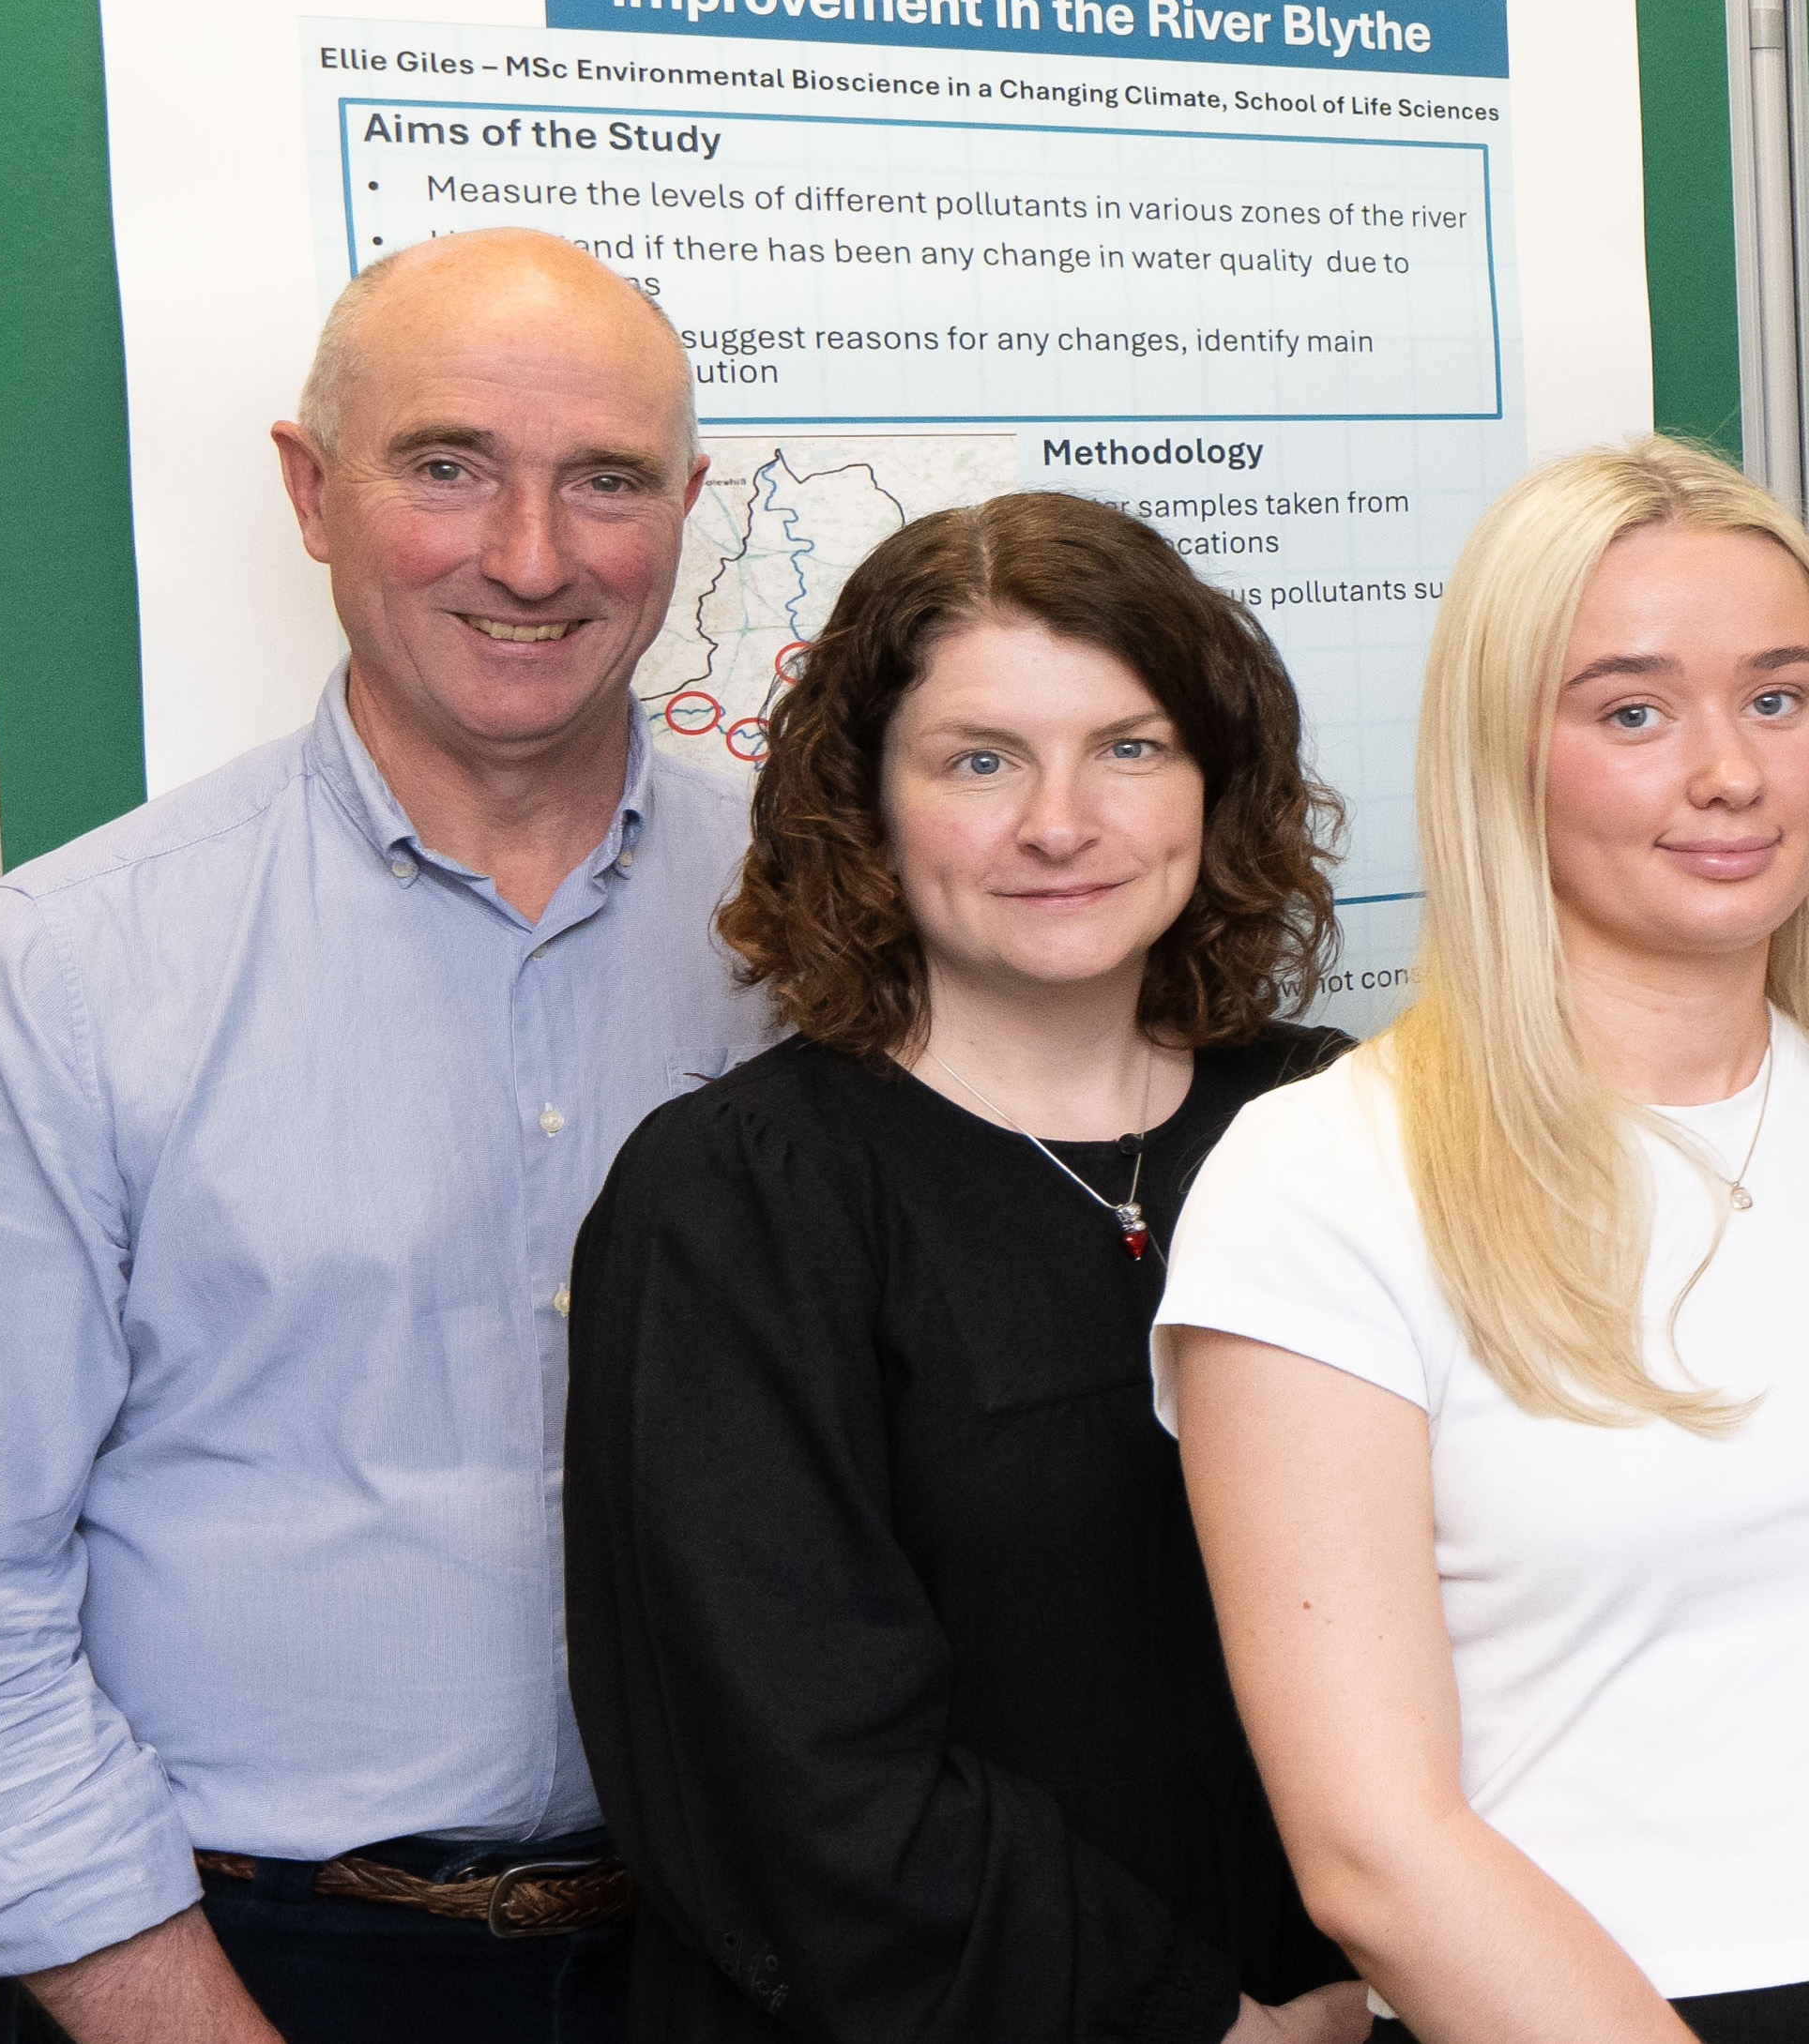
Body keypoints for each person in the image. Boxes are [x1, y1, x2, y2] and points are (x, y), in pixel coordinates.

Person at [0, 227, 751, 2040]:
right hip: (241, 1959)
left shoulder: (826, 939)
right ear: (309, 487)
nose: (529, 558)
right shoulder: (56, 975)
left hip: (742, 1936)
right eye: (447, 467)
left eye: (603, 482)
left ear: (686, 508)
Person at [1162, 439, 1809, 2041]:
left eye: (1777, 695)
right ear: (1502, 755)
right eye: (1630, 710)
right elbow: (1374, 1847)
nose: (1730, 772)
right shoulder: (1325, 1178)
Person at [566, 492, 1369, 2044]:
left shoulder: (1337, 1126)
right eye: (979, 758)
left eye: (1129, 746)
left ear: (1215, 781)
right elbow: (791, 1779)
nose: (1060, 821)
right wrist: (1213, 2026)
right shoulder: (737, 1205)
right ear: (864, 801)